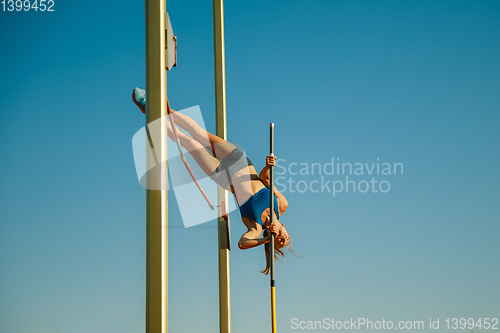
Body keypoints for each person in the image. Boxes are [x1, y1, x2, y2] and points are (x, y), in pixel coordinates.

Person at [132, 87, 291, 274]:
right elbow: (265, 179)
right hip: (240, 161)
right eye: (285, 239)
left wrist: (265, 239)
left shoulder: (255, 228)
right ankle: (161, 109)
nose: (281, 239)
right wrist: (267, 165)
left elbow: (242, 243)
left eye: (278, 242)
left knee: (188, 142)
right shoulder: (281, 204)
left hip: (223, 176)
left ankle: (150, 113)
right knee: (198, 133)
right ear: (286, 229)